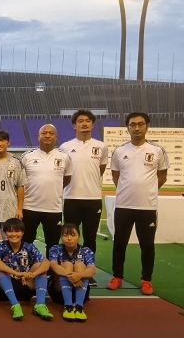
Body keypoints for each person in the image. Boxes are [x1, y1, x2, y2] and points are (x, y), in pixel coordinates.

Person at [108, 112, 169, 295]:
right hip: (123, 206)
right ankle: (117, 276)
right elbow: (116, 176)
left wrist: (148, 190)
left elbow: (162, 176)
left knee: (147, 245)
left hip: (147, 207)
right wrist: (127, 191)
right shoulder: (119, 151)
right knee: (119, 244)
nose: (136, 128)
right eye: (133, 124)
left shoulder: (157, 150)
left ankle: (146, 280)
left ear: (147, 126)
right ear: (128, 127)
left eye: (140, 124)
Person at [60, 109, 108, 287]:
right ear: (74, 125)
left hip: (93, 199)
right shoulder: (65, 147)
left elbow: (99, 170)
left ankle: (88, 272)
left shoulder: (101, 147)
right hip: (71, 198)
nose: (84, 124)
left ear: (92, 124)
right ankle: (69, 269)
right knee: (69, 237)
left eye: (88, 121)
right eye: (80, 121)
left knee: (90, 238)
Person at [19, 124, 72, 256]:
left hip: (53, 208)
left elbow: (67, 178)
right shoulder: (27, 156)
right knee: (26, 241)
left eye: (51, 133)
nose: (47, 135)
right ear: (38, 136)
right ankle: (27, 266)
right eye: (44, 133)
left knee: (53, 244)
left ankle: (50, 268)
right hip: (29, 207)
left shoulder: (64, 157)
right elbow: (18, 182)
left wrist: (54, 188)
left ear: (56, 137)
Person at [0, 218, 53, 321]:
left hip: (25, 286)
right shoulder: (1, 246)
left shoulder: (29, 247)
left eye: (17, 231)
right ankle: (15, 305)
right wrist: (16, 273)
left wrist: (33, 274)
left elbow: (46, 263)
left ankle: (40, 304)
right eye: (10, 231)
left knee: (40, 266)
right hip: (4, 290)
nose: (13, 234)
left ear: (22, 233)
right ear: (5, 233)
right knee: (1, 269)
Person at [48, 223, 95, 322]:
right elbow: (53, 265)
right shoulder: (55, 249)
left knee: (80, 265)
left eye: (73, 235)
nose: (69, 238)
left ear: (79, 237)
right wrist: (71, 276)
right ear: (61, 237)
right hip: (59, 292)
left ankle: (79, 307)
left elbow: (92, 269)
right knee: (67, 264)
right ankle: (68, 306)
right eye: (65, 235)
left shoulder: (86, 251)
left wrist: (80, 275)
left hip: (81, 290)